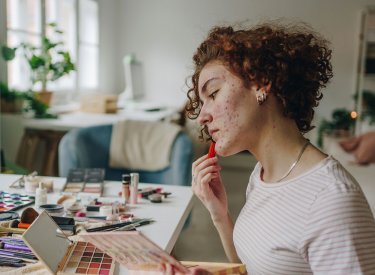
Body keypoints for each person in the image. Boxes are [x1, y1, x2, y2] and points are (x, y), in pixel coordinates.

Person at [185, 22, 375, 274]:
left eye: (213, 93)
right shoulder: (262, 175)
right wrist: (219, 214)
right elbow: (250, 268)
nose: (202, 116)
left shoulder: (332, 200)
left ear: (261, 83)